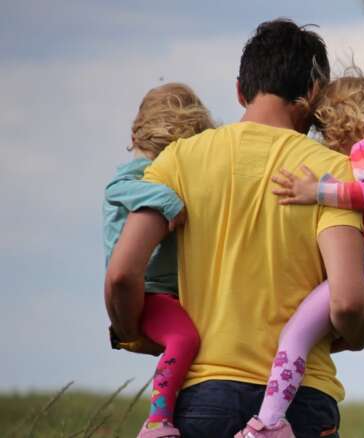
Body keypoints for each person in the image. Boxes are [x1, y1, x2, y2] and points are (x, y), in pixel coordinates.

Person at [104, 19, 364, 438]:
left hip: (202, 401)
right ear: (313, 95)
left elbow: (122, 274)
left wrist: (129, 333)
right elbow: (350, 304)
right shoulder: (332, 174)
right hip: (299, 406)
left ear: (239, 90)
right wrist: (355, 335)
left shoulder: (177, 161)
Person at [240, 71, 364, 435]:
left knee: (294, 335)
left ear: (343, 123)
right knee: (315, 334)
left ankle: (267, 425)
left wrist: (318, 190)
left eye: (326, 133)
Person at [103, 83, 212, 438]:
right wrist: (167, 199)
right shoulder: (136, 174)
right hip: (148, 291)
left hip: (169, 291)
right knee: (183, 339)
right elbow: (115, 191)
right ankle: (156, 421)